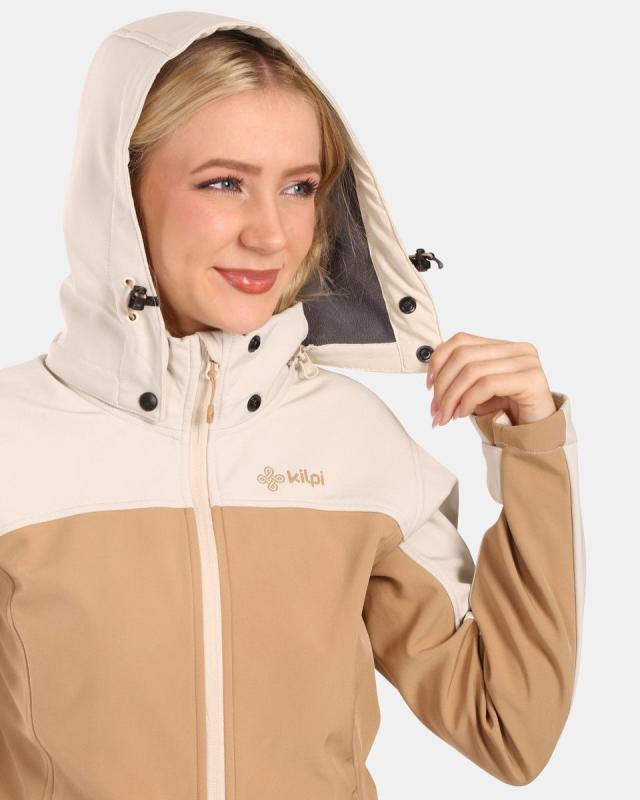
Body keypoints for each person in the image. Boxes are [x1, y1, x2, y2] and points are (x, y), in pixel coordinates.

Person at [0, 10, 585, 800]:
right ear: (118, 190)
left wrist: (533, 447)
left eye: (299, 187)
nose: (272, 235)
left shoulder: (354, 444)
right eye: (224, 183)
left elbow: (508, 727)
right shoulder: (13, 442)